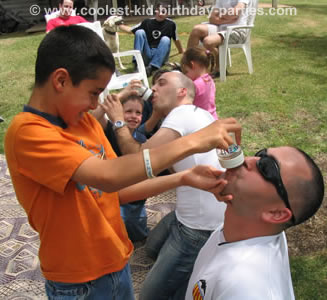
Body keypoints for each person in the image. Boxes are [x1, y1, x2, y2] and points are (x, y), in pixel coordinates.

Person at [4, 25, 241, 299]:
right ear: (61, 81)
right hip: (77, 282)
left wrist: (182, 178)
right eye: (94, 93)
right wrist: (195, 140)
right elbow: (107, 176)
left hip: (116, 262)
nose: (96, 105)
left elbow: (117, 190)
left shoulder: (83, 124)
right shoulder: (28, 133)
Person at [104, 71, 228, 300]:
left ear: (182, 92)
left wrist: (118, 121)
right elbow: (166, 164)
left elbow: (138, 160)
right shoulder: (195, 113)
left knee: (150, 296)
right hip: (196, 212)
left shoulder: (180, 115)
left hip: (199, 227)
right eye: (154, 84)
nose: (155, 88)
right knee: (151, 249)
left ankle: (201, 278)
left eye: (162, 83)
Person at [186, 147, 325, 300]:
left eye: (266, 168)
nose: (247, 159)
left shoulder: (243, 288)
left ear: (276, 214)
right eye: (261, 154)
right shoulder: (249, 227)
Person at [94, 94, 149, 242]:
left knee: (138, 234)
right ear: (118, 112)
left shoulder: (141, 139)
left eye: (138, 113)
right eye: (128, 111)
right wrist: (120, 95)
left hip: (134, 200)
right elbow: (93, 117)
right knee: (110, 233)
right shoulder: (110, 129)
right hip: (112, 193)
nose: (133, 116)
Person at [187, 0, 251, 77]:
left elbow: (235, 13)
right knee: (196, 30)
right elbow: (212, 18)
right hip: (220, 27)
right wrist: (228, 19)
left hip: (236, 30)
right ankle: (187, 65)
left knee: (208, 42)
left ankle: (218, 66)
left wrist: (220, 16)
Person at [119, 2, 184, 76]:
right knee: (139, 32)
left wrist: (181, 51)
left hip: (161, 56)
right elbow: (130, 30)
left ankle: (152, 68)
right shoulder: (147, 22)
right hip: (148, 53)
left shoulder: (171, 24)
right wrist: (119, 24)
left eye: (163, 12)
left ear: (167, 14)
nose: (160, 14)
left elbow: (176, 39)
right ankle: (137, 63)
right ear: (156, 10)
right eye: (159, 11)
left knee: (166, 39)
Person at [181, 46, 218, 120]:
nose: (185, 75)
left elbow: (184, 105)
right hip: (213, 118)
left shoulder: (195, 85)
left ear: (192, 65)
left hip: (201, 122)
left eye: (186, 71)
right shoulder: (210, 80)